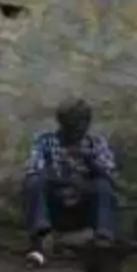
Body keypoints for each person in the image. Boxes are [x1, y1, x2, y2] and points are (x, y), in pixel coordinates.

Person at [22, 99, 118, 256]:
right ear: (61, 124)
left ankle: (103, 237)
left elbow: (110, 176)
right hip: (55, 203)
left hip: (83, 203)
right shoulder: (45, 141)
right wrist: (65, 182)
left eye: (81, 126)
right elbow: (33, 169)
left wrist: (89, 161)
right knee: (33, 182)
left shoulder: (95, 143)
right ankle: (41, 234)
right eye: (71, 126)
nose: (77, 132)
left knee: (103, 185)